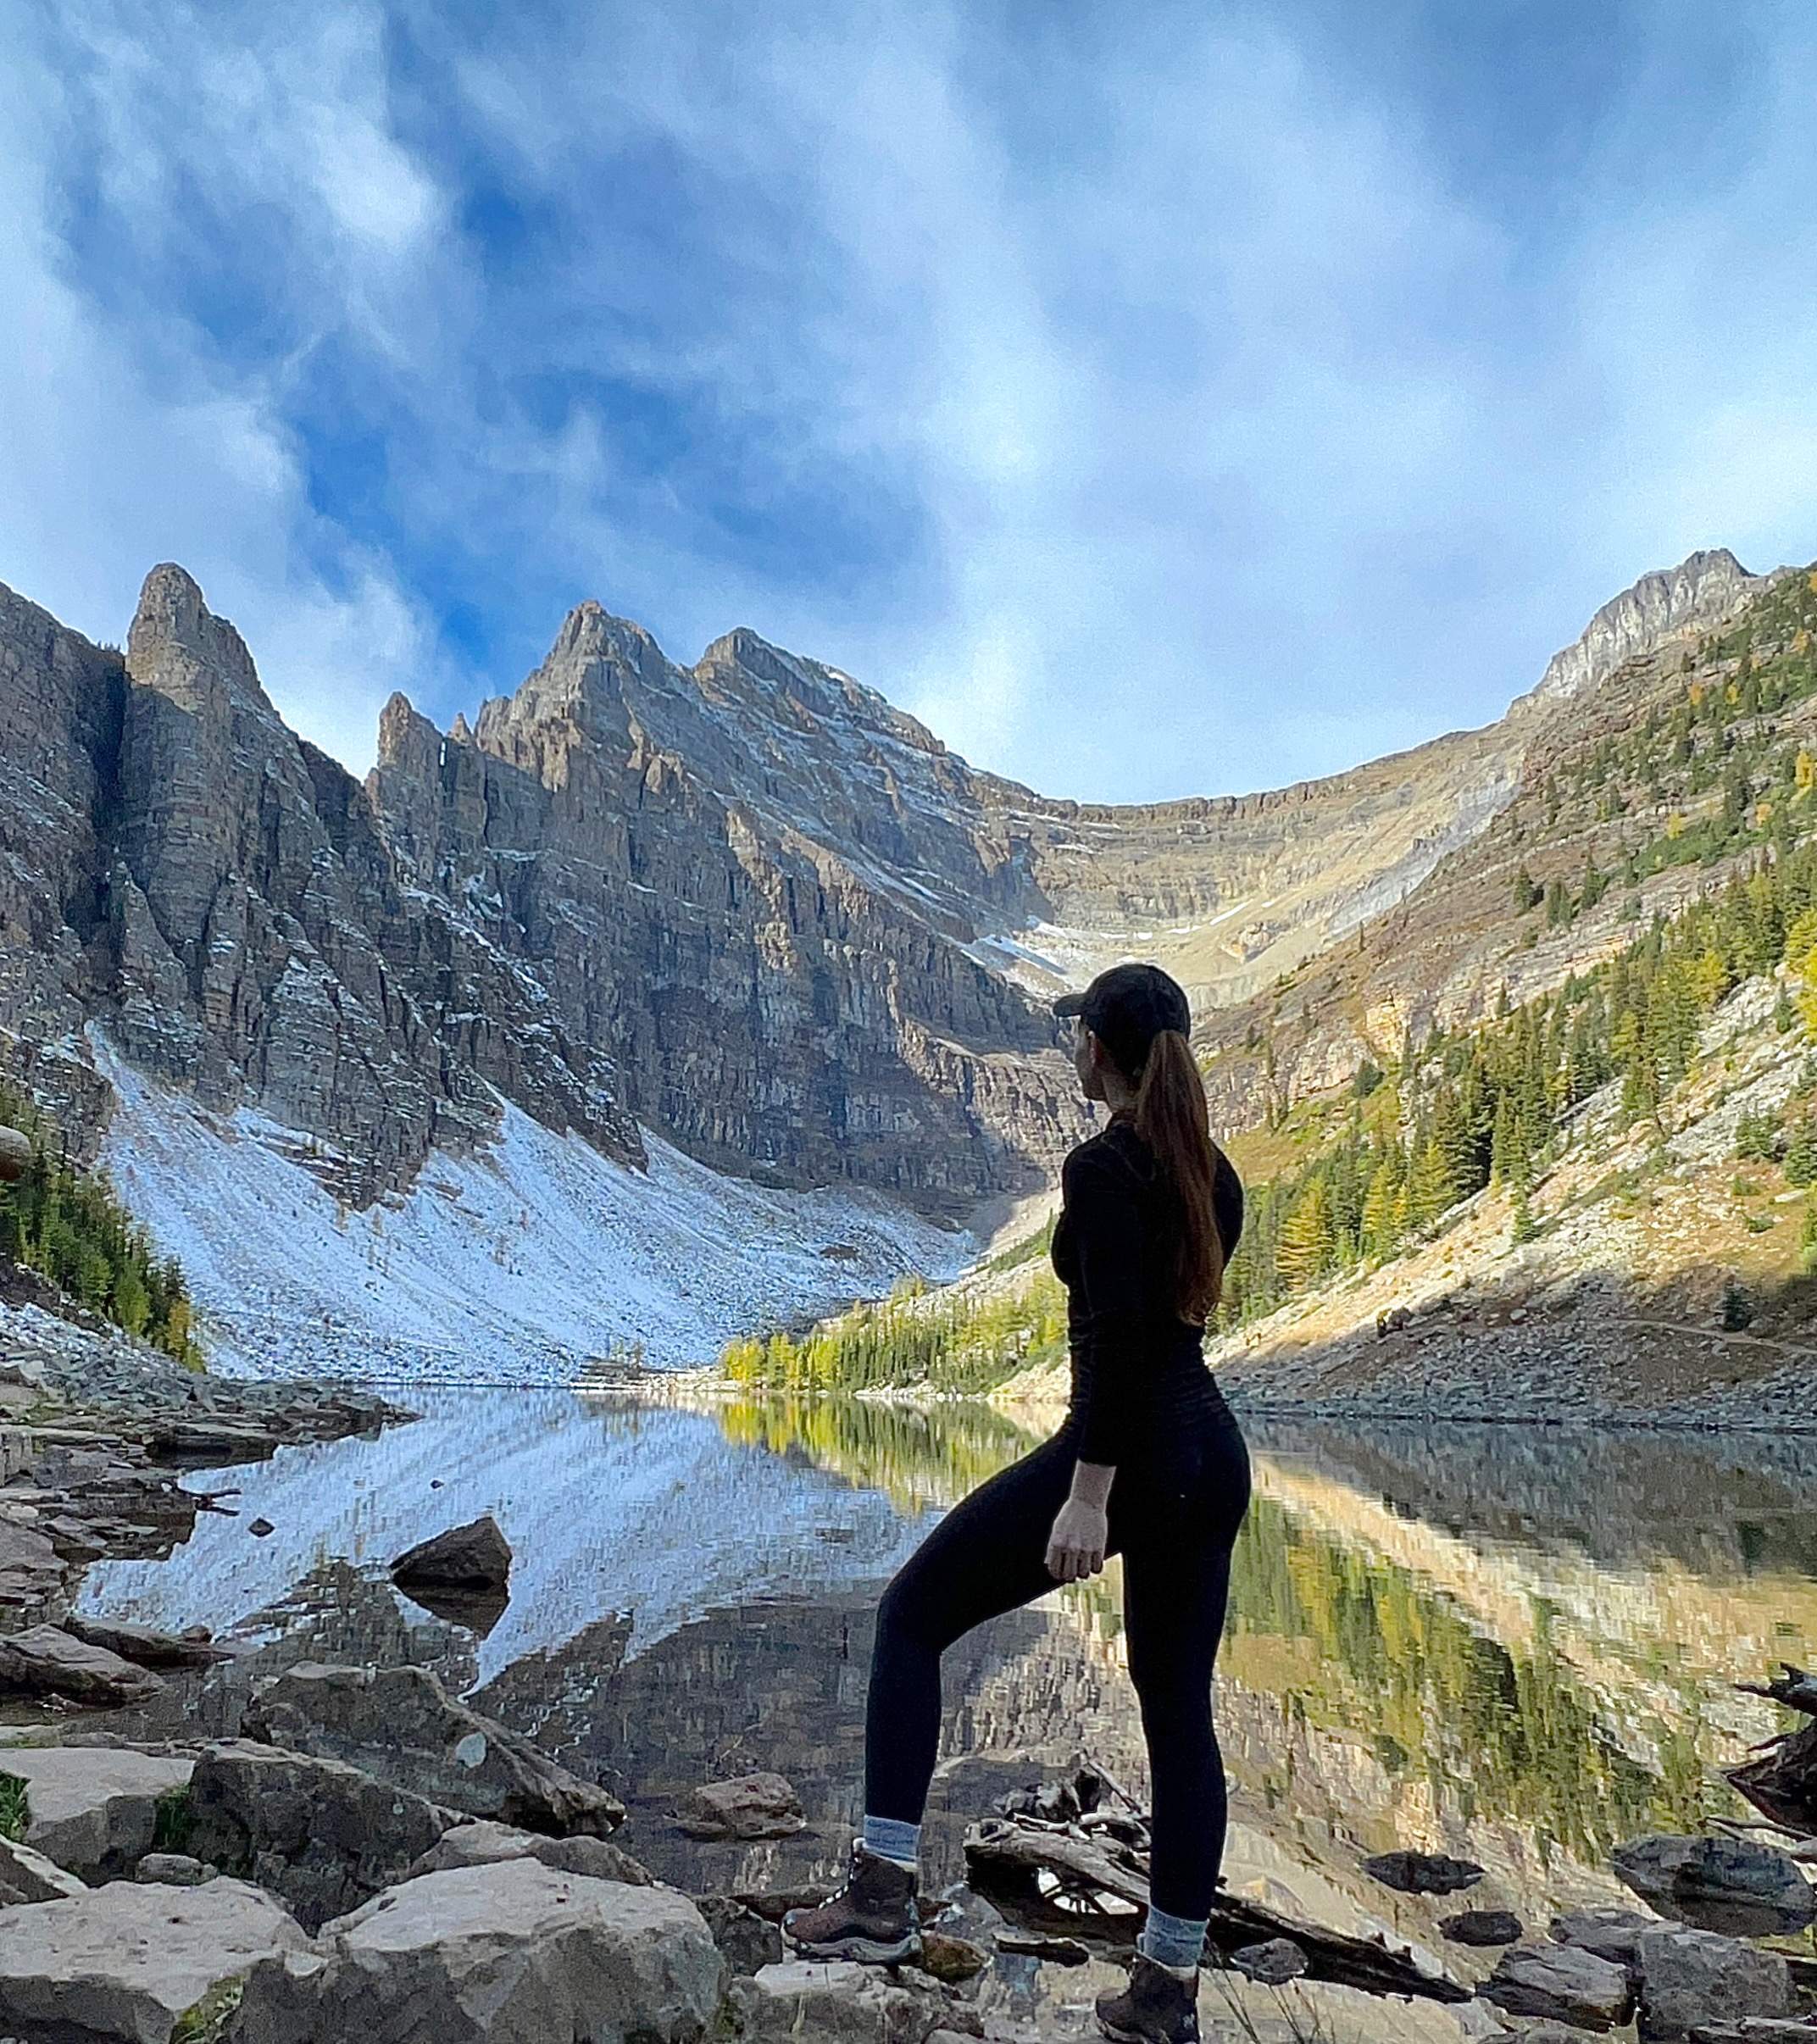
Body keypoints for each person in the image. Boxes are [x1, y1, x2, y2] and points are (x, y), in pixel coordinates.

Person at [782, 962, 1252, 2044]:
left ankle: (879, 1900)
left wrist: (1088, 1497)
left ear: (1097, 1049)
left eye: (1076, 1036)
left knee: (910, 1616)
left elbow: (1117, 1345)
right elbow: (1170, 1335)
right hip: (1209, 1454)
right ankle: (1164, 1993)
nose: (1071, 1051)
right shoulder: (1212, 1171)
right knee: (1177, 1714)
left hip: (1128, 1452)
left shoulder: (1099, 1167)